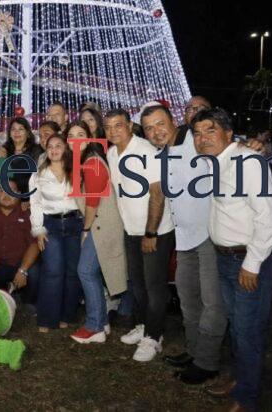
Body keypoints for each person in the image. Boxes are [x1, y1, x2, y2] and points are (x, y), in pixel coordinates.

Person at [192, 108, 272, 411]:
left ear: (228, 133)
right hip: (225, 259)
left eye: (210, 130)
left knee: (248, 330)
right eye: (197, 133)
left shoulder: (247, 162)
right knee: (237, 325)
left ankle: (247, 398)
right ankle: (240, 378)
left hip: (248, 261)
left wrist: (252, 263)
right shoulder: (216, 162)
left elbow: (269, 218)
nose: (202, 138)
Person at [140, 104, 226, 380]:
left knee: (212, 302)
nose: (156, 131)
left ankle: (208, 363)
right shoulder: (161, 155)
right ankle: (194, 351)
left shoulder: (194, 138)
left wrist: (252, 144)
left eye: (160, 123)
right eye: (149, 128)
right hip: (185, 239)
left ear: (173, 120)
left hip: (211, 236)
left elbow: (226, 149)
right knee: (189, 300)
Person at [104, 109, 174, 362]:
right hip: (131, 230)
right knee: (138, 284)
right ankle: (145, 325)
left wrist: (150, 232)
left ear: (130, 126)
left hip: (155, 231)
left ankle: (154, 338)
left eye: (118, 126)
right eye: (108, 127)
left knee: (154, 287)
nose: (113, 131)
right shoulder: (112, 153)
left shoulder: (145, 150)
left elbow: (158, 193)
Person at [65, 122, 127, 345]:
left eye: (80, 135)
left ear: (90, 138)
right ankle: (101, 323)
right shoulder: (80, 161)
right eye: (71, 135)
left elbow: (92, 204)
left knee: (85, 271)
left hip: (102, 225)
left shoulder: (92, 162)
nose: (75, 139)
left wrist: (85, 230)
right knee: (90, 273)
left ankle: (94, 326)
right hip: (98, 224)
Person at [29, 134, 82, 333]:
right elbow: (35, 204)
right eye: (50, 146)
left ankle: (67, 315)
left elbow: (85, 198)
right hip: (51, 224)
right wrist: (38, 229)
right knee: (52, 270)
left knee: (72, 272)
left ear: (65, 148)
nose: (54, 149)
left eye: (58, 145)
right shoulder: (38, 175)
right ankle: (47, 318)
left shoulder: (76, 170)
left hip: (75, 223)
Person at [1, 117, 43, 194]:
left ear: (28, 133)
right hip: (9, 196)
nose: (17, 132)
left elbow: (39, 178)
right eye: (13, 129)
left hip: (30, 196)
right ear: (10, 134)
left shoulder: (36, 151)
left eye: (21, 129)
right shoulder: (4, 150)